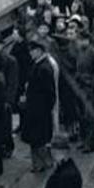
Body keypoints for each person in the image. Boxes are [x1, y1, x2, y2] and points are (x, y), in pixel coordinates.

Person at [22, 39, 57, 173]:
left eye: (33, 51)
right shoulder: (39, 65)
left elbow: (49, 92)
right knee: (37, 138)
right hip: (36, 108)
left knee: (38, 139)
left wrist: (45, 108)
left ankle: (42, 163)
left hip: (39, 109)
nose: (31, 53)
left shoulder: (43, 68)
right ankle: (40, 163)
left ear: (39, 51)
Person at [74, 28, 94, 153]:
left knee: (89, 117)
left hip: (89, 87)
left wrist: (93, 86)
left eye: (80, 40)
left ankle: (90, 144)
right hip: (80, 86)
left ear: (86, 40)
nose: (78, 42)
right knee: (82, 117)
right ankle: (84, 140)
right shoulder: (80, 52)